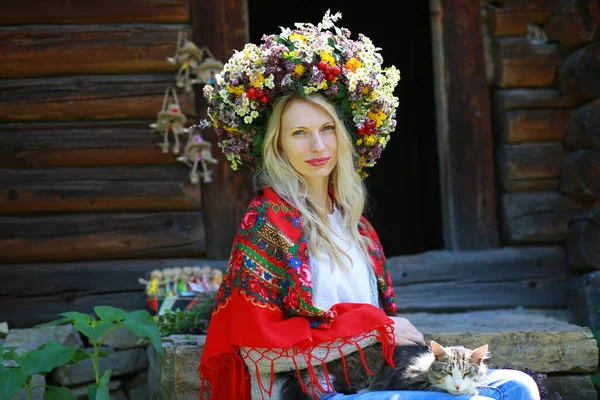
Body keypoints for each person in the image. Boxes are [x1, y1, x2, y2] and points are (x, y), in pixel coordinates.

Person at [198, 10, 540, 400]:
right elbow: (259, 351)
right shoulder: (267, 223)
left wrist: (387, 334)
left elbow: (387, 343)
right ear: (278, 145)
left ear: (343, 136)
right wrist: (374, 325)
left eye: (327, 129)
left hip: (373, 382)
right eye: (299, 133)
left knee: (518, 387)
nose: (318, 146)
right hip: (315, 391)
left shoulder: (359, 229)